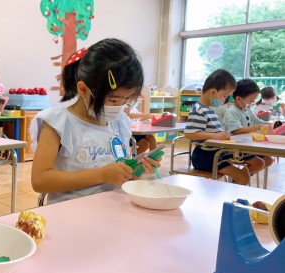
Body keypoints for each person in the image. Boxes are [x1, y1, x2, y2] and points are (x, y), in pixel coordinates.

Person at [30, 38, 160, 205]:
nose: (120, 107)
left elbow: (119, 173)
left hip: (113, 209)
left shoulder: (118, 123)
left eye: (126, 100)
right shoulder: (58, 122)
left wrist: (137, 169)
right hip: (71, 213)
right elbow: (40, 180)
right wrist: (101, 175)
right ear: (84, 89)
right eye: (113, 100)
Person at [184, 69, 263, 185]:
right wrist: (216, 135)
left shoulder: (209, 110)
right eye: (224, 96)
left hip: (216, 153)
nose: (224, 99)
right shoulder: (199, 110)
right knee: (243, 175)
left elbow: (213, 131)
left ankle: (229, 194)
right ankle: (230, 198)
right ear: (213, 92)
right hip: (205, 157)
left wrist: (223, 134)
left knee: (252, 167)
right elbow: (189, 133)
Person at [223, 78, 273, 169]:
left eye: (254, 100)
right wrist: (258, 127)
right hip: (234, 149)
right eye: (251, 100)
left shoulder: (247, 110)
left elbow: (258, 121)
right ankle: (240, 179)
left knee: (268, 160)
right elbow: (237, 131)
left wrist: (270, 124)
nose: (253, 103)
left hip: (246, 146)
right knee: (259, 163)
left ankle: (244, 177)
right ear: (238, 99)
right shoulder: (232, 111)